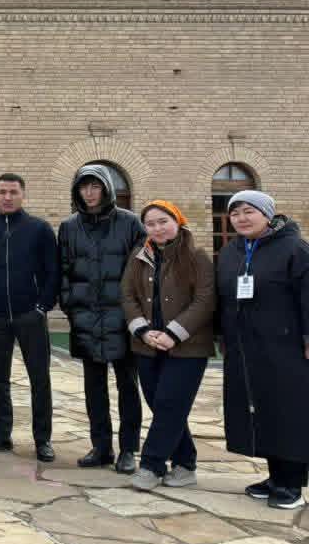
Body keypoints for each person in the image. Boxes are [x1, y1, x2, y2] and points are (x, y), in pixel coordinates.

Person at [215, 190, 309, 511]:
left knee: (289, 412)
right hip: (246, 346)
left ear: (267, 215)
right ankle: (275, 477)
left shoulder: (295, 249)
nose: (241, 218)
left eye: (248, 211)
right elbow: (223, 298)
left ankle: (291, 483)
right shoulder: (231, 252)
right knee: (261, 409)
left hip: (286, 347)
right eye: (235, 213)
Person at [121, 200, 214, 491]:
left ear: (178, 222)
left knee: (170, 404)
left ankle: (152, 465)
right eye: (150, 224)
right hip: (147, 345)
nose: (157, 228)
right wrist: (142, 330)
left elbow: (205, 300)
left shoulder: (196, 256)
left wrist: (173, 333)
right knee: (161, 406)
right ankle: (185, 464)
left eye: (163, 221)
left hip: (188, 347)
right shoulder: (139, 255)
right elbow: (127, 295)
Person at [59, 164, 145, 474]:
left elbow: (141, 271)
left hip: (123, 320)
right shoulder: (69, 227)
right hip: (85, 317)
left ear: (107, 188)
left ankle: (128, 449)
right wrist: (70, 304)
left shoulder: (130, 223)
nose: (90, 193)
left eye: (95, 186)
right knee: (94, 388)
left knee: (127, 386)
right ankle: (101, 446)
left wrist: (134, 313)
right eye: (84, 187)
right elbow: (64, 270)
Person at [0, 173, 59, 462]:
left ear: (23, 195)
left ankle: (42, 439)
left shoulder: (39, 229)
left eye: (13, 192)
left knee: (39, 379)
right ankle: (1, 434)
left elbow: (53, 271)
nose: (7, 197)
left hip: (30, 315)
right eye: (2, 192)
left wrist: (42, 307)